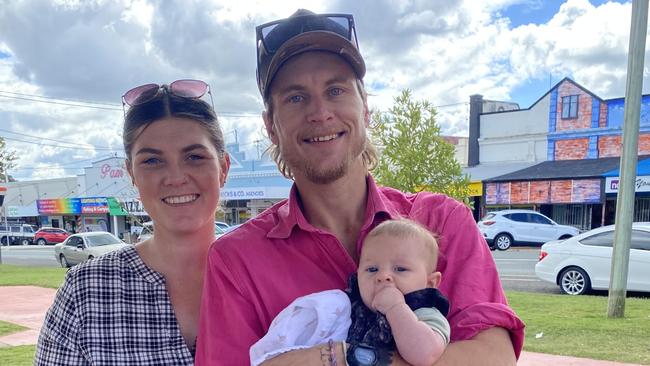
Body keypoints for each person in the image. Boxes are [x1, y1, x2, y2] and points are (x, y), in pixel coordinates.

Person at [196, 9, 524, 365]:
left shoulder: (442, 221)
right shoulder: (236, 260)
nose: (320, 112)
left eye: (335, 90)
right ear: (271, 126)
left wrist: (342, 358)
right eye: (295, 97)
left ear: (365, 108)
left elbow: (493, 356)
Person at [35, 79, 230, 365]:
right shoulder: (86, 292)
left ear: (223, 168)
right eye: (152, 161)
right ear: (132, 175)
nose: (175, 177)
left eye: (194, 156)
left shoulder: (261, 275)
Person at [250, 219, 450, 366]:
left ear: (431, 282)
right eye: (372, 270)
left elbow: (425, 355)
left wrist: (396, 308)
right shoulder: (349, 307)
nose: (383, 277)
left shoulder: (425, 313)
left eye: (400, 269)